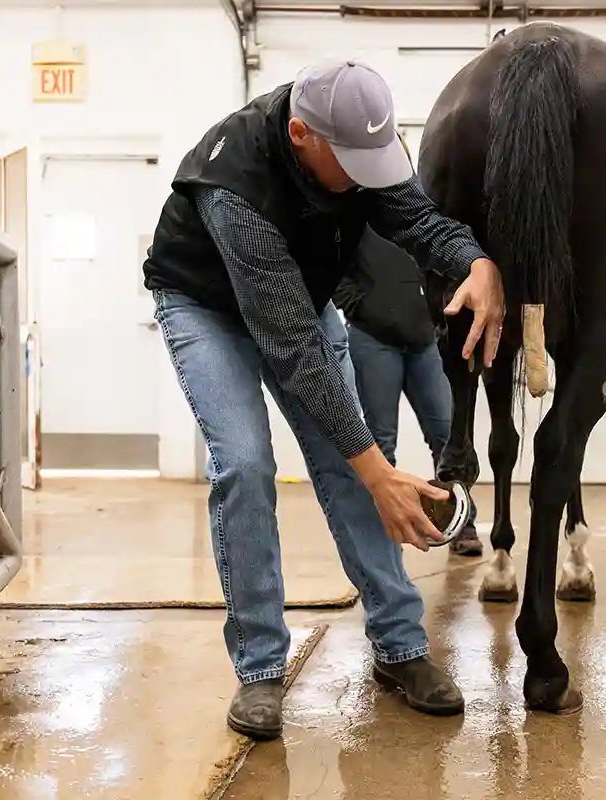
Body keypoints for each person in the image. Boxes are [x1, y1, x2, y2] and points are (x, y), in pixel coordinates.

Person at [141, 59, 504, 741]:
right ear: (302, 134)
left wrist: (476, 264)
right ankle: (259, 668)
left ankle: (401, 650)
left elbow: (422, 222)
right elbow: (293, 353)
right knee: (247, 465)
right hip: (205, 306)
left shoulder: (360, 150)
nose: (369, 176)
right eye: (353, 162)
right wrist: (378, 471)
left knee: (351, 468)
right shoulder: (235, 184)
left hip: (298, 304)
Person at [334, 223, 484, 557]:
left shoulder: (417, 210)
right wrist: (361, 308)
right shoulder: (356, 215)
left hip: (426, 343)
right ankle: (387, 534)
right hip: (373, 342)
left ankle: (462, 524)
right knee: (379, 440)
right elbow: (335, 270)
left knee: (447, 435)